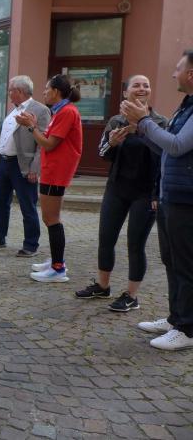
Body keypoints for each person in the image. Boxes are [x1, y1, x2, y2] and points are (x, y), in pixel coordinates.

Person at [121, 50, 193, 351]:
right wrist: (139, 127)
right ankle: (176, 318)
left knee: (186, 264)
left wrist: (145, 120)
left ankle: (187, 328)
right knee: (171, 260)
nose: (173, 74)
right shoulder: (185, 105)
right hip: (170, 195)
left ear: (191, 73)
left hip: (186, 199)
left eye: (178, 69)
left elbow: (177, 146)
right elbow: (165, 149)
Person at [76, 76, 166, 311]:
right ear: (126, 93)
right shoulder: (116, 121)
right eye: (136, 85)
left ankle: (131, 295)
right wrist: (112, 143)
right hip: (117, 188)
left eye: (146, 85)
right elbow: (102, 153)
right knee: (106, 238)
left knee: (135, 243)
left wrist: (157, 194)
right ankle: (103, 286)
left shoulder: (159, 122)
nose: (142, 88)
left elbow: (165, 158)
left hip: (145, 192)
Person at [15, 74, 83, 283]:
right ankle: (56, 260)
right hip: (52, 169)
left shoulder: (67, 111)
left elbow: (48, 144)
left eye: (46, 89)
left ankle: (58, 268)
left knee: (51, 219)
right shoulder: (60, 111)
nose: (43, 92)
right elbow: (49, 138)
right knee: (50, 218)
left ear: (56, 91)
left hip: (56, 171)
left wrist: (31, 126)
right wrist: (34, 125)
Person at [0, 76, 51, 257]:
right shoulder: (13, 110)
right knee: (0, 203)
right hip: (5, 163)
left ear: (19, 91)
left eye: (11, 90)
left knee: (28, 206)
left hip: (23, 166)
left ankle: (31, 244)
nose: (8, 93)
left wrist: (35, 168)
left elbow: (43, 143)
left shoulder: (40, 110)